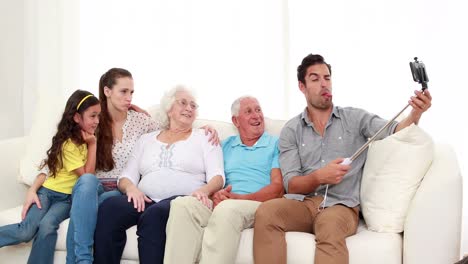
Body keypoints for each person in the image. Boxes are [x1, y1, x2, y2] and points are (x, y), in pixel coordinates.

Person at [253, 53, 432, 264]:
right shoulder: (291, 130)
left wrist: (416, 114)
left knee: (329, 227)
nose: (324, 84)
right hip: (303, 204)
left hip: (340, 207)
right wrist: (320, 176)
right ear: (302, 86)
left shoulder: (354, 118)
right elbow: (291, 185)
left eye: (327, 78)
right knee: (267, 212)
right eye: (315, 79)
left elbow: (395, 130)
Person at [66, 68, 220, 264]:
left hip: (182, 200)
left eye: (193, 105)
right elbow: (127, 176)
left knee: (153, 216)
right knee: (109, 208)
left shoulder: (204, 137)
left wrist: (204, 191)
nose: (189, 108)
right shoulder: (147, 139)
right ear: (169, 109)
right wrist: (132, 188)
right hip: (145, 198)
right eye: (183, 103)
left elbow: (218, 176)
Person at [164, 96, 284, 264]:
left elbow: (278, 188)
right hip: (223, 201)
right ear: (235, 121)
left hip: (255, 203)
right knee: (181, 205)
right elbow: (210, 172)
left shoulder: (276, 144)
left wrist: (238, 198)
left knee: (227, 209)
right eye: (248, 112)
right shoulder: (224, 145)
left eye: (258, 110)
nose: (256, 115)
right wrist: (216, 195)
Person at [0, 90, 100, 264]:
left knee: (47, 226)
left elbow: (87, 182)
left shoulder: (88, 139)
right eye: (92, 116)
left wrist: (91, 144)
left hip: (66, 200)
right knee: (26, 231)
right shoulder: (69, 143)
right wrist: (93, 145)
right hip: (46, 193)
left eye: (98, 116)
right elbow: (87, 176)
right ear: (77, 118)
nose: (97, 121)